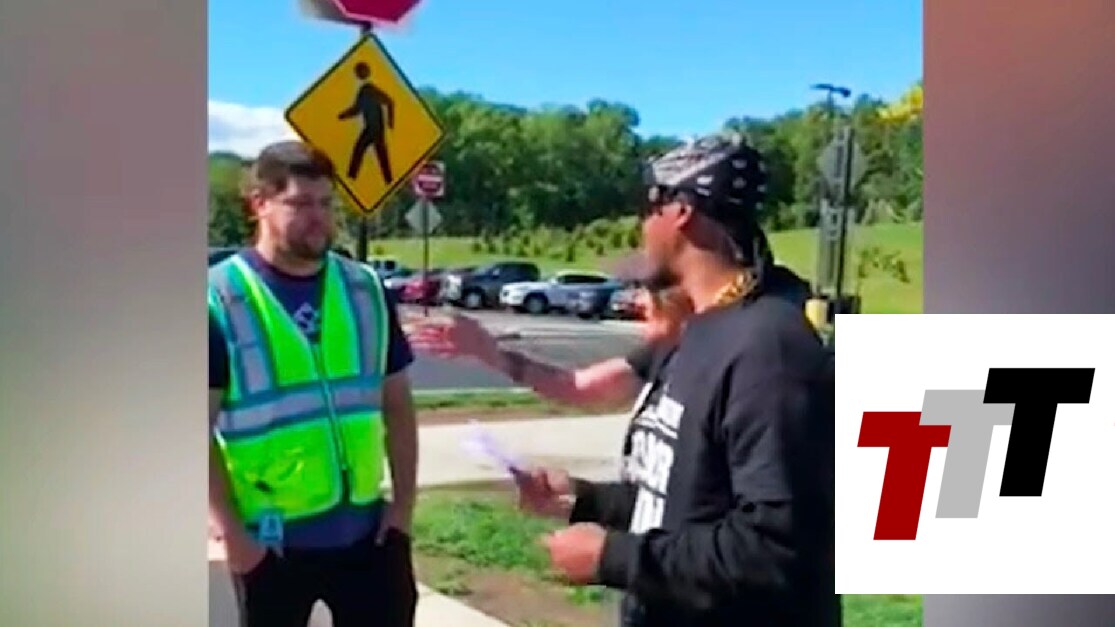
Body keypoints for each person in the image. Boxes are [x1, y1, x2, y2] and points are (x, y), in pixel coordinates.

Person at [515, 133, 839, 627]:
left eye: (649, 208)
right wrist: (584, 498)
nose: (641, 227)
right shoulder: (693, 333)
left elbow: (778, 547)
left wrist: (614, 557)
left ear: (681, 211)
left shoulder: (769, 348)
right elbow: (681, 499)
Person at [208, 140, 419, 627]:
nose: (318, 217)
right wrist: (234, 537)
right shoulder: (219, 299)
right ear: (259, 204)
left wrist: (403, 513)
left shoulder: (365, 289)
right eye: (301, 204)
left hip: (371, 539)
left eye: (326, 203)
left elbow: (397, 405)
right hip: (272, 547)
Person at [406, 285, 693, 412]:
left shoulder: (714, 367)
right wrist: (489, 352)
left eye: (651, 291)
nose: (638, 301)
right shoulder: (658, 355)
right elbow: (578, 387)